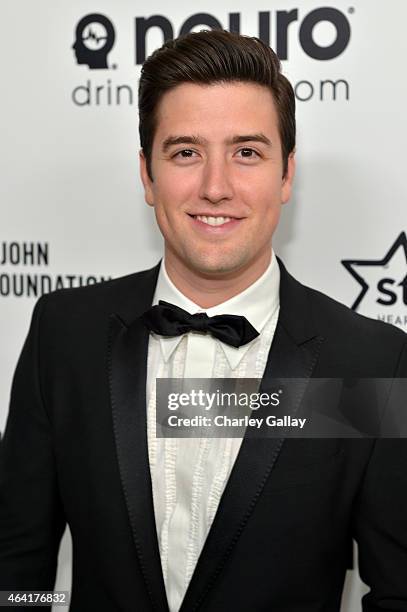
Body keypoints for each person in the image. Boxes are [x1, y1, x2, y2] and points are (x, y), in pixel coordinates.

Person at [1, 29, 406, 612]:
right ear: (147, 174)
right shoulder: (64, 335)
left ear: (286, 174)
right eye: (186, 152)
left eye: (247, 152)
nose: (216, 188)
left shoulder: (370, 362)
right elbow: (16, 564)